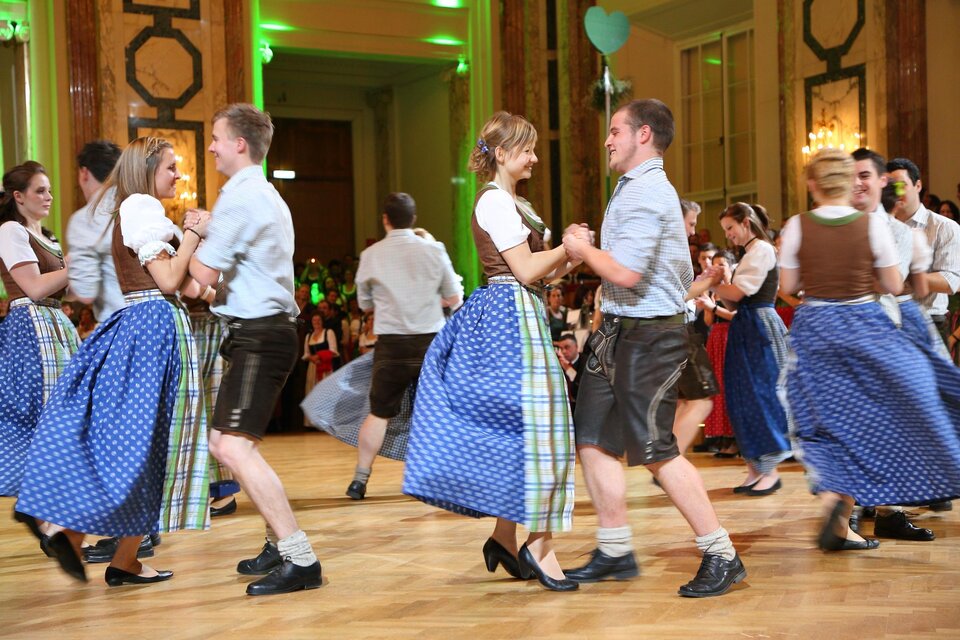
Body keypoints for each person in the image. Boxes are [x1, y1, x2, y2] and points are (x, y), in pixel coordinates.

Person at [560, 99, 744, 597]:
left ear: (643, 134)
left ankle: (721, 552)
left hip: (648, 338)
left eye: (615, 130)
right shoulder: (635, 189)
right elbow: (664, 277)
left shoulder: (647, 193)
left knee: (656, 451)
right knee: (594, 439)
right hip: (619, 330)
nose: (607, 139)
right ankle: (615, 548)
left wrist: (580, 250)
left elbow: (626, 272)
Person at [16, 137, 209, 586]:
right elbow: (166, 279)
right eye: (171, 167)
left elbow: (196, 287)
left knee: (148, 442)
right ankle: (77, 532)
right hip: (152, 327)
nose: (178, 175)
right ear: (147, 171)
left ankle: (120, 556)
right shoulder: (141, 207)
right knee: (144, 442)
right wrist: (196, 234)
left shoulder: (140, 210)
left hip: (144, 324)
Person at [403, 111, 582, 592]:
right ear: (501, 154)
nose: (535, 157)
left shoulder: (513, 203)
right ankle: (539, 544)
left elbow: (539, 273)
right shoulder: (496, 204)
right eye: (527, 149)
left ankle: (505, 537)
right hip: (510, 316)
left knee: (522, 430)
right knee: (545, 431)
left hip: (518, 312)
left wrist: (569, 255)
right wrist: (566, 247)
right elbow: (525, 270)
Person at [779, 148, 960, 551]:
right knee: (881, 415)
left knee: (824, 421)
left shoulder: (796, 226)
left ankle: (837, 503)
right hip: (863, 325)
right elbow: (894, 287)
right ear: (848, 183)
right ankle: (873, 505)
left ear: (811, 184)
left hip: (815, 329)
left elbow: (788, 288)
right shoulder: (871, 226)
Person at [189, 103, 321, 596]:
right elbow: (222, 279)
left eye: (217, 137)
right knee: (236, 444)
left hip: (260, 333)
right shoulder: (264, 194)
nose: (211, 146)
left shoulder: (239, 198)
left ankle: (300, 557)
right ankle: (275, 539)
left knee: (229, 446)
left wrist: (192, 231)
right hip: (263, 330)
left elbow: (198, 277)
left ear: (239, 143)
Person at [343, 192, 461, 499]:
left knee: (379, 412)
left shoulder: (371, 255)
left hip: (391, 344)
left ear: (385, 219)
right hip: (430, 342)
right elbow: (453, 296)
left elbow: (364, 303)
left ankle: (360, 478)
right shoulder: (434, 250)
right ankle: (436, 480)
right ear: (414, 219)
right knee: (434, 412)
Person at [0, 162, 80, 508]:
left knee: (63, 414)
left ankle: (50, 509)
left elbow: (65, 290)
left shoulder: (47, 236)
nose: (49, 196)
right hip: (30, 327)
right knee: (36, 414)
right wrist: (71, 266)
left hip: (55, 325)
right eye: (40, 190)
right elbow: (32, 288)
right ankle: (40, 506)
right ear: (18, 196)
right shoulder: (10, 231)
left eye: (49, 189)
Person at [713, 203, 791, 495]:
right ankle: (754, 468)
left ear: (746, 223)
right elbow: (733, 301)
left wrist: (714, 283)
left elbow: (737, 293)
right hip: (745, 325)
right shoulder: (748, 253)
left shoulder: (762, 250)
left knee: (761, 395)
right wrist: (722, 283)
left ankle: (769, 469)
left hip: (759, 327)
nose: (729, 235)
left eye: (731, 228)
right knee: (742, 397)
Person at [673, 199, 719, 455]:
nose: (692, 232)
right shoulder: (673, 247)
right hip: (679, 331)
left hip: (669, 332)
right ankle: (669, 463)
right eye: (690, 223)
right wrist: (710, 281)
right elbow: (678, 294)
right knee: (701, 401)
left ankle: (666, 461)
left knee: (682, 402)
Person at [66, 140, 124, 323]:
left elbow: (86, 291)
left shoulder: (84, 219)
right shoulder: (142, 206)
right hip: (163, 323)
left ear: (84, 173)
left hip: (120, 324)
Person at [556, 333, 584, 413]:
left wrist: (568, 369)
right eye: (561, 348)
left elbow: (582, 384)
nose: (564, 351)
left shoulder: (586, 362)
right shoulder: (559, 364)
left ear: (576, 346)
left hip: (581, 406)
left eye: (567, 347)